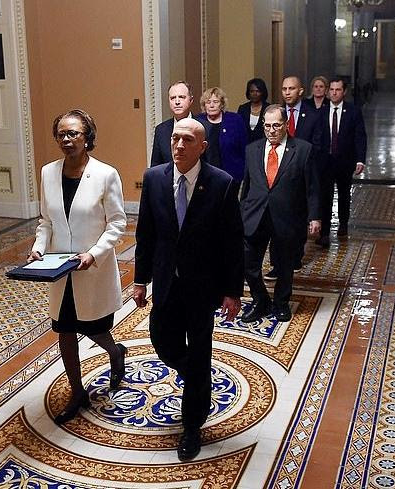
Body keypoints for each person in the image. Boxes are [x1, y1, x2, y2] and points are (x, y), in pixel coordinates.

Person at [133, 118, 244, 461]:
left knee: (199, 349)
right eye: (175, 139)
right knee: (162, 339)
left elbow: (232, 243)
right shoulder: (154, 179)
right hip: (166, 280)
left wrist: (232, 292)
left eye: (187, 140)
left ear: (202, 146)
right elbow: (145, 234)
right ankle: (196, 374)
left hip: (201, 286)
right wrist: (140, 279)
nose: (179, 145)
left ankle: (192, 425)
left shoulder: (221, 183)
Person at [28, 109, 127, 425]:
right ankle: (77, 390)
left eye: (73, 133)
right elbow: (46, 220)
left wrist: (93, 253)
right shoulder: (47, 172)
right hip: (59, 269)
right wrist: (38, 248)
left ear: (88, 137)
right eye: (61, 134)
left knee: (94, 325)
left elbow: (117, 223)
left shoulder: (105, 174)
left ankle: (115, 353)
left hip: (91, 268)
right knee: (65, 328)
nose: (67, 140)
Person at [241, 105, 321, 324]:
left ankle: (281, 302)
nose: (271, 130)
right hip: (255, 215)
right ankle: (260, 300)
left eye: (276, 125)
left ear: (286, 124)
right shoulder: (252, 149)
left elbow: (312, 187)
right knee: (247, 261)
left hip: (287, 216)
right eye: (267, 125)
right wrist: (241, 214)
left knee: (285, 264)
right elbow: (247, 187)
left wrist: (314, 217)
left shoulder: (303, 149)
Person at [265, 76, 325, 280]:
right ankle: (276, 263)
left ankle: (295, 257)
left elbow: (318, 146)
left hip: (303, 170)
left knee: (297, 220)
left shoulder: (313, 115)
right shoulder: (276, 115)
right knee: (276, 220)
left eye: (291, 88)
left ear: (301, 91)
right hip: (279, 172)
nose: (287, 92)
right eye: (284, 88)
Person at [316, 77, 367, 247]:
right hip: (325, 161)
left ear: (344, 92)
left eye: (337, 90)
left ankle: (343, 224)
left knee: (344, 194)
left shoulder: (353, 111)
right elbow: (317, 136)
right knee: (325, 196)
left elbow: (360, 136)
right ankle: (324, 233)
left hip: (345, 161)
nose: (334, 93)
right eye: (331, 89)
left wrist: (360, 159)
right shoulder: (322, 111)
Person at [196, 87, 247, 192]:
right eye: (208, 102)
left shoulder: (235, 120)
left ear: (222, 104)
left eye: (215, 101)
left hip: (232, 175)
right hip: (205, 177)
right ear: (204, 105)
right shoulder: (198, 121)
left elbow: (244, 147)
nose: (211, 105)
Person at [151, 81, 210, 167]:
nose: (177, 102)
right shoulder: (161, 130)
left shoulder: (206, 128)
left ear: (191, 100)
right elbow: (155, 166)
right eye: (173, 98)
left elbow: (213, 166)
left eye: (182, 97)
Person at [237, 78, 270, 143]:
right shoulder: (243, 108)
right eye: (252, 91)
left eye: (257, 91)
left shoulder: (268, 108)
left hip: (263, 145)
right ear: (248, 93)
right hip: (245, 146)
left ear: (262, 92)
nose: (255, 94)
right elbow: (238, 129)